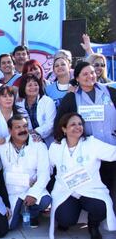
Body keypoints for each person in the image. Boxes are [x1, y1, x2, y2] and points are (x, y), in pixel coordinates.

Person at [55, 61, 116, 212]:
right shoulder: (71, 98)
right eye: (85, 74)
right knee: (93, 193)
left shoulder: (110, 92)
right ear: (77, 78)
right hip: (87, 153)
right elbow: (60, 123)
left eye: (92, 72)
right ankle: (93, 223)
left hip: (111, 148)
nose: (90, 76)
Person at [49, 113, 116, 239]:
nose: (78, 127)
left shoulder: (92, 143)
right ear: (64, 129)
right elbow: (48, 167)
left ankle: (93, 225)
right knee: (64, 218)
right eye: (73, 124)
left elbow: (113, 153)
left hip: (90, 189)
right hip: (66, 190)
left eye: (80, 124)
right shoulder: (55, 147)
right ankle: (68, 218)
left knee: (101, 207)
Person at [0, 115, 51, 229]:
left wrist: (33, 194)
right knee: (9, 227)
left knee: (45, 201)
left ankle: (32, 213)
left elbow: (44, 173)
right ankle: (21, 209)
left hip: (31, 189)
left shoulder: (39, 145)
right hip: (11, 192)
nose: (23, 130)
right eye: (18, 127)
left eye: (25, 126)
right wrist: (24, 181)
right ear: (10, 130)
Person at [16, 74, 56, 145]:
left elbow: (50, 124)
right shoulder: (19, 104)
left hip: (47, 142)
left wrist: (35, 132)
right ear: (23, 88)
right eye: (30, 85)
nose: (33, 87)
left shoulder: (47, 101)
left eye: (35, 84)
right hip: (26, 141)